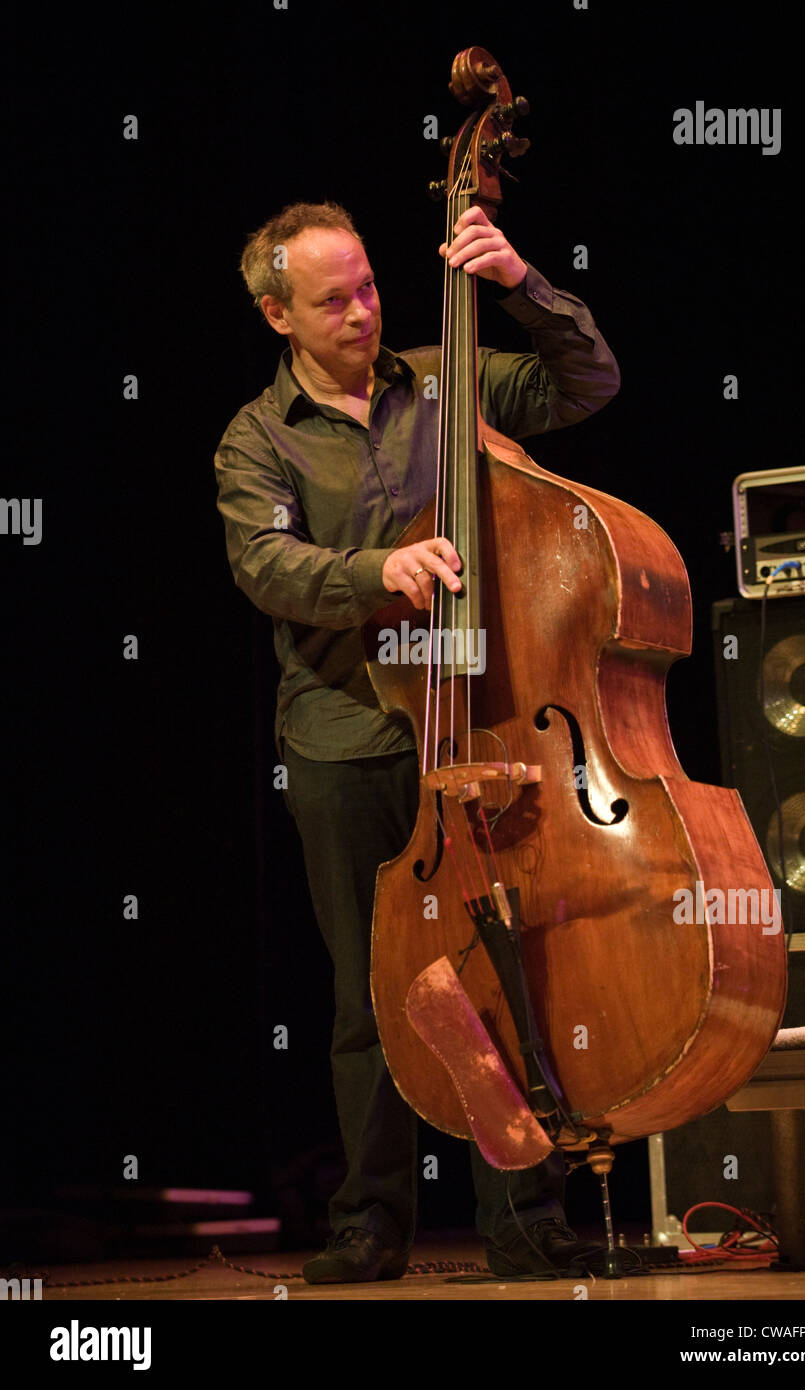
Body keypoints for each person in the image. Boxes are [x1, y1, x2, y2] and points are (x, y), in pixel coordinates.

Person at [214, 199, 620, 1283]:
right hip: (345, 737)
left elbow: (586, 386)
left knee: (505, 973)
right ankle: (370, 1221)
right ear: (275, 314)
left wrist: (527, 285)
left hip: (482, 725)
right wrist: (373, 574)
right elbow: (263, 566)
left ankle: (526, 1217)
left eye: (369, 286)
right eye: (332, 299)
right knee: (370, 993)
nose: (362, 310)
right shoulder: (255, 440)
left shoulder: (445, 373)